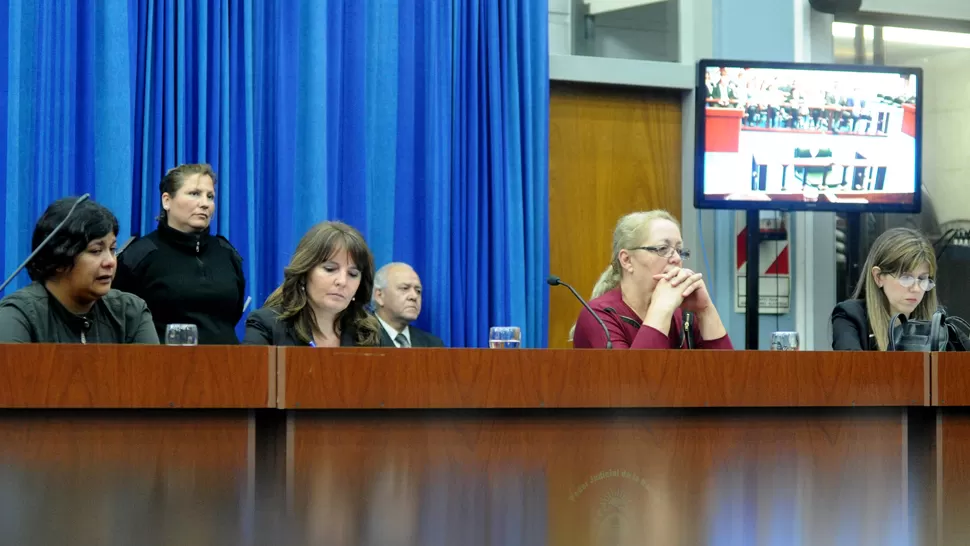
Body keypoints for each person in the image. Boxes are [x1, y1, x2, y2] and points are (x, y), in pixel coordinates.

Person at [113, 164, 246, 344]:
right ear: (167, 201)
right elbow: (119, 320)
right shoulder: (139, 255)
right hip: (160, 366)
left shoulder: (227, 253)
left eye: (210, 196)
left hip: (227, 366)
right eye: (194, 194)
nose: (205, 203)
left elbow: (234, 313)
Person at [0, 197, 158, 343]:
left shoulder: (130, 313)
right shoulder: (18, 315)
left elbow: (153, 373)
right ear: (59, 258)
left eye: (112, 249)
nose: (110, 262)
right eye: (96, 251)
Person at [572, 210, 732, 349]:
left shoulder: (683, 314)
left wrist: (705, 310)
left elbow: (728, 378)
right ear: (627, 260)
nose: (676, 258)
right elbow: (633, 380)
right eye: (663, 249)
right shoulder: (598, 316)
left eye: (679, 250)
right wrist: (661, 309)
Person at [243, 221, 384, 347]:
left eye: (353, 274)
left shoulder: (369, 334)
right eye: (330, 269)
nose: (342, 281)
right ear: (304, 274)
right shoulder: (267, 326)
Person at [831, 227, 938, 351]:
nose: (916, 289)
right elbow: (851, 368)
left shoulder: (939, 321)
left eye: (922, 278)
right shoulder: (850, 316)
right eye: (906, 278)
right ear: (878, 277)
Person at [371, 262, 445, 348]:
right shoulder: (358, 338)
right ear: (379, 295)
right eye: (404, 288)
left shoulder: (433, 345)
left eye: (418, 291)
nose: (414, 296)